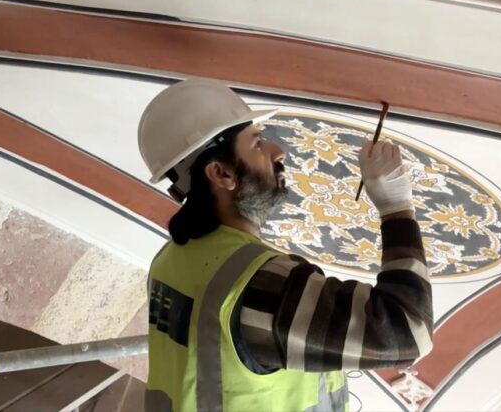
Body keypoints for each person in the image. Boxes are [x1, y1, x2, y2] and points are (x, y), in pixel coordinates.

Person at [138, 78, 433, 412]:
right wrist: (397, 211)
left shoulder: (173, 258)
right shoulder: (261, 286)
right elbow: (409, 333)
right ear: (221, 173)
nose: (279, 152)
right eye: (257, 143)